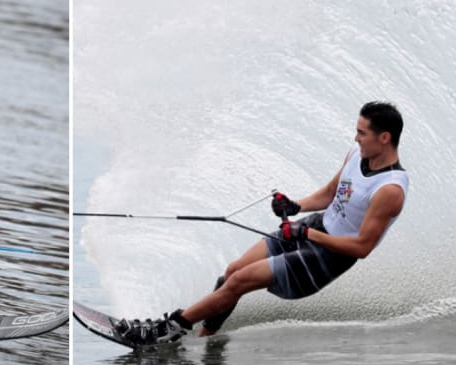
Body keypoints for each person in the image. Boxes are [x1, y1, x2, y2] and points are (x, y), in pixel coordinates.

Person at [117, 101, 409, 346]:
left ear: (384, 137)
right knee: (232, 272)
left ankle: (164, 330)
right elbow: (329, 194)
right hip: (316, 226)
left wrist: (306, 233)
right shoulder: (356, 154)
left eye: (362, 133)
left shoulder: (390, 190)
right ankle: (205, 337)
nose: (356, 138)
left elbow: (361, 247)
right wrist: (296, 206)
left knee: (241, 281)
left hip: (329, 257)